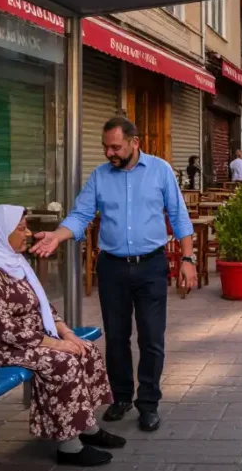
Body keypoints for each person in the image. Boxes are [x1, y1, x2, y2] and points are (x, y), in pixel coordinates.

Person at [31, 117, 195, 433]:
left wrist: (187, 258)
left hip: (151, 265)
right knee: (117, 337)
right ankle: (121, 397)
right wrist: (57, 236)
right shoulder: (99, 177)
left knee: (151, 337)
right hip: (113, 267)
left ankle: (148, 403)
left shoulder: (160, 171)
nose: (110, 153)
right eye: (106, 146)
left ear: (135, 143)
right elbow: (80, 215)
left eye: (116, 146)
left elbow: (178, 215)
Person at [0, 205, 122, 467]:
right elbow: (4, 330)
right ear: (0, 233)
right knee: (60, 361)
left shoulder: (11, 262)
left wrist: (66, 333)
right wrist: (56, 344)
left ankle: (86, 426)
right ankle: (69, 446)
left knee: (85, 349)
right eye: (21, 229)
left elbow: (41, 306)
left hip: (20, 338)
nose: (28, 233)